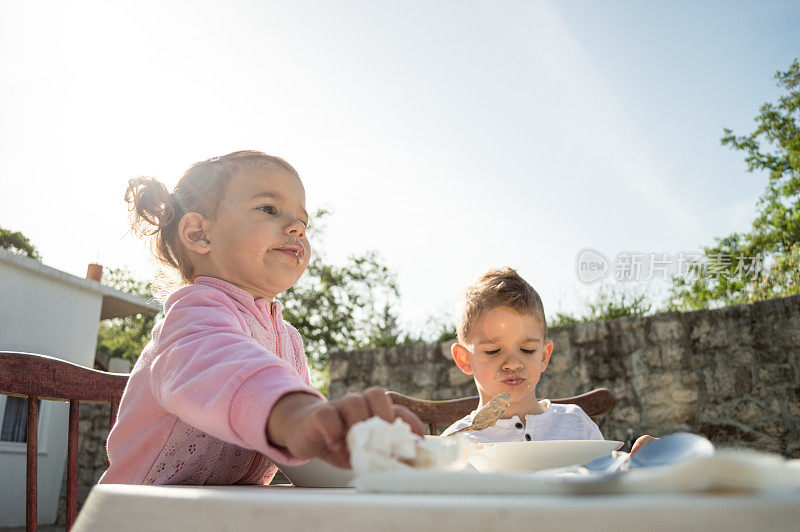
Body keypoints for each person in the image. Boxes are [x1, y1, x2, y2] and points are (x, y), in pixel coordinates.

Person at [100, 150, 422, 485]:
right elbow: (218, 362)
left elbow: (296, 442)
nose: (297, 227)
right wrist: (300, 414)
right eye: (269, 208)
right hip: (142, 514)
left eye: (304, 221)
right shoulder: (193, 313)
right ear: (199, 233)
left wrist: (341, 442)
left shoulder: (289, 340)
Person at [440, 267, 654, 454]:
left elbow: (607, 485)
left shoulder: (576, 424)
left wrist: (640, 466)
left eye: (527, 349)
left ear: (544, 355)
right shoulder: (454, 444)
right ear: (464, 359)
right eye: (494, 351)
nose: (513, 363)